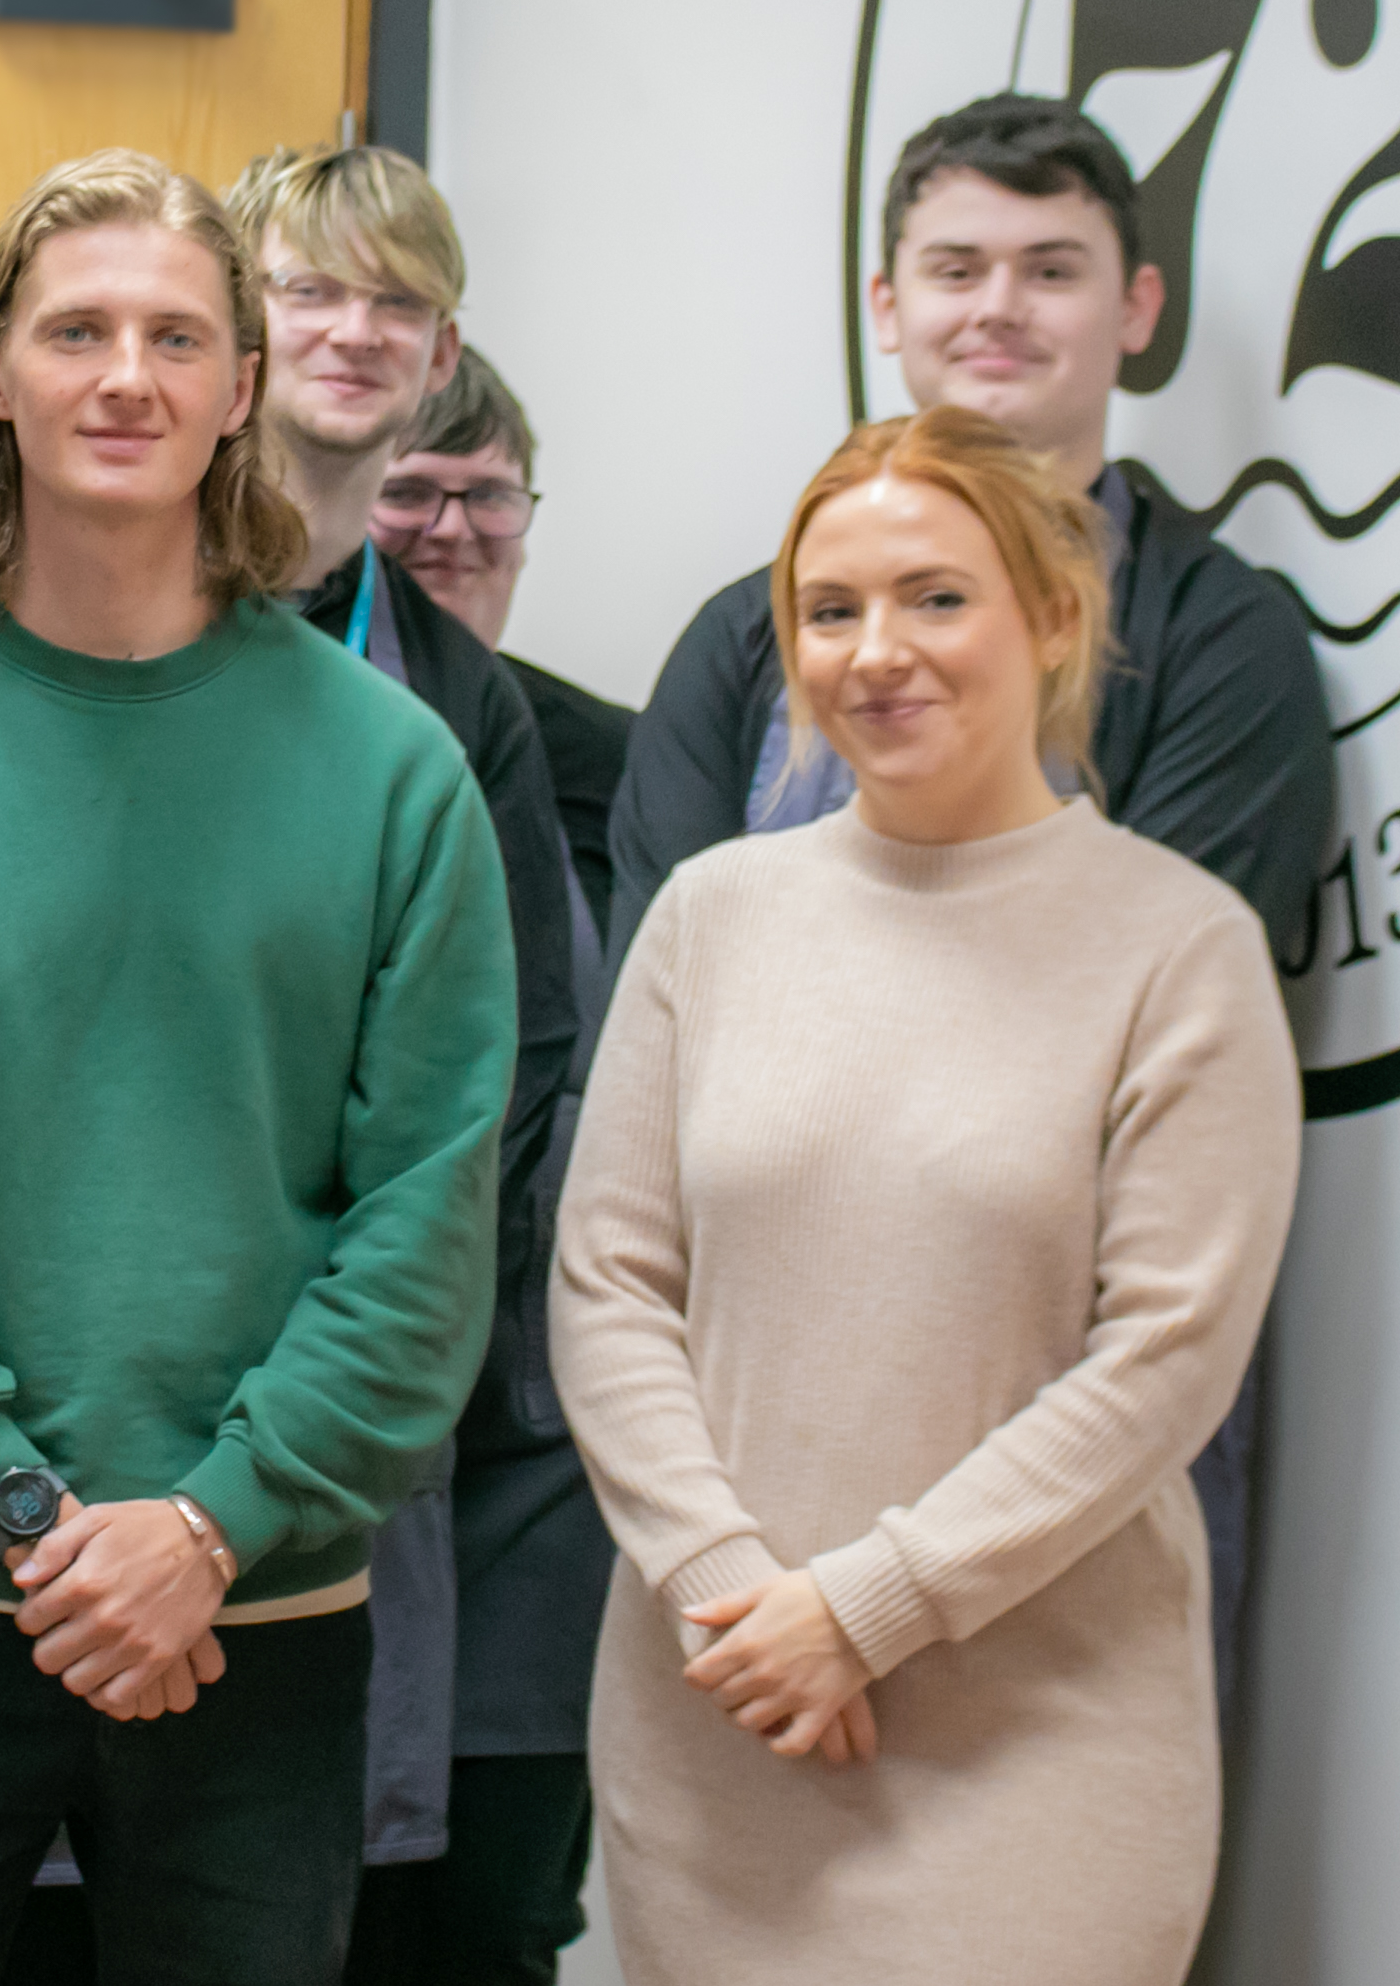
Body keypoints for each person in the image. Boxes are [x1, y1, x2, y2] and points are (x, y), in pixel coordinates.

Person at [0, 149, 517, 1986]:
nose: (124, 375)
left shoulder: (393, 774)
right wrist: (17, 1505)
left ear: (241, 386)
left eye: (174, 334)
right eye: (76, 328)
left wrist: (209, 1525)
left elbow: (423, 1212)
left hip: (255, 1603)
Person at [602, 95, 1333, 1707]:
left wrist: (893, 1588)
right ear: (888, 305)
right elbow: (644, 1066)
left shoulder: (1223, 646)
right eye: (954, 266)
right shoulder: (739, 643)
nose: (996, 306)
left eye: (1050, 268)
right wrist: (724, 1548)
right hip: (740, 1457)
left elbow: (1134, 1025)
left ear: (1134, 310)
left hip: (1044, 1454)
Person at [553, 407, 1299, 1986]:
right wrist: (727, 1588)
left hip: (1042, 1744)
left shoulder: (1176, 948)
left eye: (934, 598)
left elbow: (1164, 1358)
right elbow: (606, 1284)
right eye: (830, 611)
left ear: (1048, 615)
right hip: (719, 1708)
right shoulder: (711, 918)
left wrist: (867, 1608)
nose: (875, 652)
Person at [211, 146, 592, 1986]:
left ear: (440, 351)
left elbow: (508, 1072)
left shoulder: (466, 697)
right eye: (311, 289)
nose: (353, 332)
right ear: (235, 319)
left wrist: (355, 1337)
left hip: (369, 1402)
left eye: (398, 302)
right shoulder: (112, 621)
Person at [382, 348, 632, 933]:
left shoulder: (612, 758)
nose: (452, 530)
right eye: (409, 493)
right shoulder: (290, 730)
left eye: (491, 496)